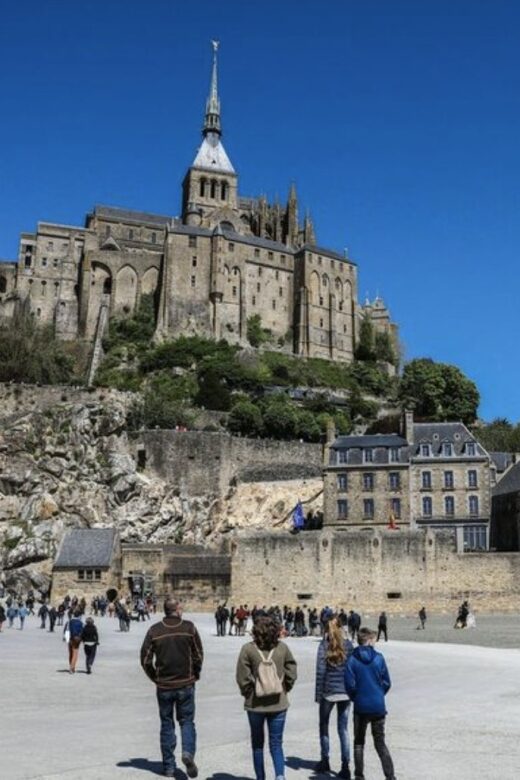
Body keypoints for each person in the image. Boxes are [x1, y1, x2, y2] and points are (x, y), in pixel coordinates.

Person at [140, 598, 204, 779]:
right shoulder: (189, 628)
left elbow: (145, 659)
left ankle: (168, 767)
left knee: (167, 724)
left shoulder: (155, 630)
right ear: (176, 609)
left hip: (164, 686)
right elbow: (199, 655)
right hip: (186, 683)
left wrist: (155, 677)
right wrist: (195, 673)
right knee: (187, 721)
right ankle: (188, 753)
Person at [236, 615, 297, 780]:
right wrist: (285, 688)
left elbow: (242, 677)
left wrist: (248, 693)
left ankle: (261, 777)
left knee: (257, 745)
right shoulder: (282, 648)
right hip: (279, 702)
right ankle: (279, 776)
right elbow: (291, 671)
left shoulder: (248, 649)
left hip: (255, 704)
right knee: (276, 744)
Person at [345, 627, 395, 780]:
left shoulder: (352, 660)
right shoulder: (379, 658)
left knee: (359, 742)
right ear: (368, 640)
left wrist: (356, 697)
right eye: (373, 639)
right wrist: (379, 694)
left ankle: (359, 776)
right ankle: (390, 776)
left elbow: (349, 685)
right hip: (378, 706)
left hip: (360, 707)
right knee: (380, 743)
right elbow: (387, 682)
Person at [315, 617, 354, 779]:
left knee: (324, 725)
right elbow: (352, 670)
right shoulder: (349, 645)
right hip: (345, 692)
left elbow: (321, 672)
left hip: (329, 691)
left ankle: (325, 760)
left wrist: (318, 695)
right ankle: (345, 766)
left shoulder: (324, 645)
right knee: (343, 729)